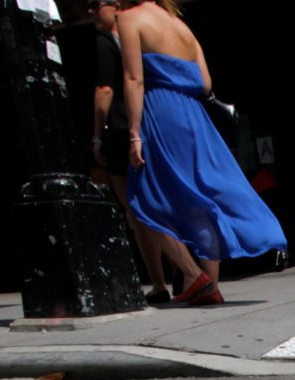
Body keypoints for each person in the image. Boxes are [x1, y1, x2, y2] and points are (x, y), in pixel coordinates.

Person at [118, 0, 287, 306]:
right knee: (204, 195)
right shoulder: (182, 28)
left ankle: (193, 274)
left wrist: (134, 134)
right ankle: (211, 286)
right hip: (194, 117)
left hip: (160, 112)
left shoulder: (130, 19)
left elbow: (133, 79)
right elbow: (205, 84)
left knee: (144, 196)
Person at [90, 0, 173, 303]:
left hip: (124, 131)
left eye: (95, 4)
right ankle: (186, 273)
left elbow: (105, 89)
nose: (90, 12)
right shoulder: (150, 35)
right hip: (154, 125)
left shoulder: (106, 40)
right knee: (164, 202)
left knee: (137, 211)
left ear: (116, 6)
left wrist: (97, 135)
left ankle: (163, 282)